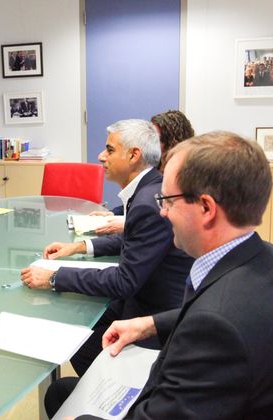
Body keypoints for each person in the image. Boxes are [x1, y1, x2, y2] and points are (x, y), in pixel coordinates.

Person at [45, 132, 273, 419]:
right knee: (61, 391)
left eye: (168, 201)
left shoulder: (215, 328)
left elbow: (214, 324)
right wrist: (149, 324)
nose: (162, 212)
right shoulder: (268, 258)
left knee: (68, 404)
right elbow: (210, 315)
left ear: (206, 208)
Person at [20, 119, 193, 376]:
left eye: (110, 150)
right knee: (75, 319)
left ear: (134, 155)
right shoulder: (150, 188)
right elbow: (134, 241)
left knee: (76, 341)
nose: (101, 157)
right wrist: (80, 246)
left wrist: (55, 276)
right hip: (144, 295)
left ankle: (115, 397)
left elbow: (124, 281)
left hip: (154, 312)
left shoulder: (147, 201)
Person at [95, 110, 195, 234]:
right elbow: (137, 202)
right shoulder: (154, 168)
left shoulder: (184, 176)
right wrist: (114, 214)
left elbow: (161, 218)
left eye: (154, 138)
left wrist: (128, 224)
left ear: (172, 143)